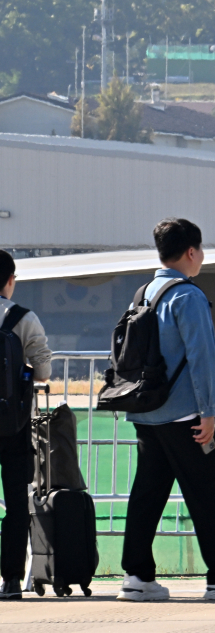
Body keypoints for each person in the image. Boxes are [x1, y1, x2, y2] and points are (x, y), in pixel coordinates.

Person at [114, 220, 215, 602]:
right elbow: (203, 357)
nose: (202, 257)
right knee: (206, 493)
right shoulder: (188, 296)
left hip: (146, 412)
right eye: (201, 250)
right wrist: (208, 412)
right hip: (185, 415)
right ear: (190, 252)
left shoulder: (143, 293)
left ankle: (137, 576)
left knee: (147, 494)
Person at [0, 249, 52, 601]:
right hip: (12, 426)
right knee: (17, 504)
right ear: (10, 280)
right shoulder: (22, 317)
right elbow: (43, 369)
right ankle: (11, 581)